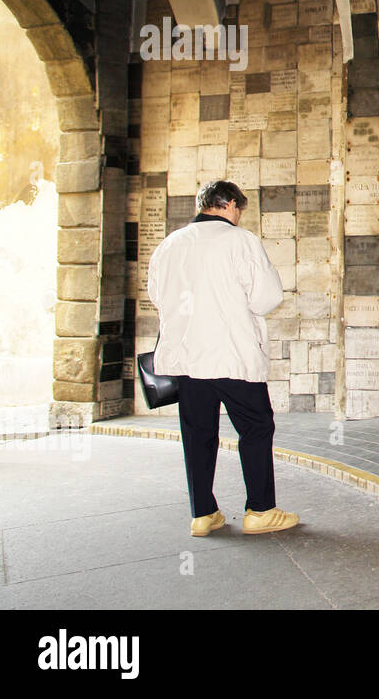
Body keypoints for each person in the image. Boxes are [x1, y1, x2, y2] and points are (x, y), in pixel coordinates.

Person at [147, 180, 298, 536]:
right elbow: (265, 298)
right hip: (232, 357)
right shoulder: (240, 241)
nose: (239, 215)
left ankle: (203, 514)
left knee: (198, 434)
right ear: (229, 205)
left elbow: (158, 295)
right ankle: (260, 510)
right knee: (256, 428)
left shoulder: (169, 244)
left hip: (188, 360)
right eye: (239, 208)